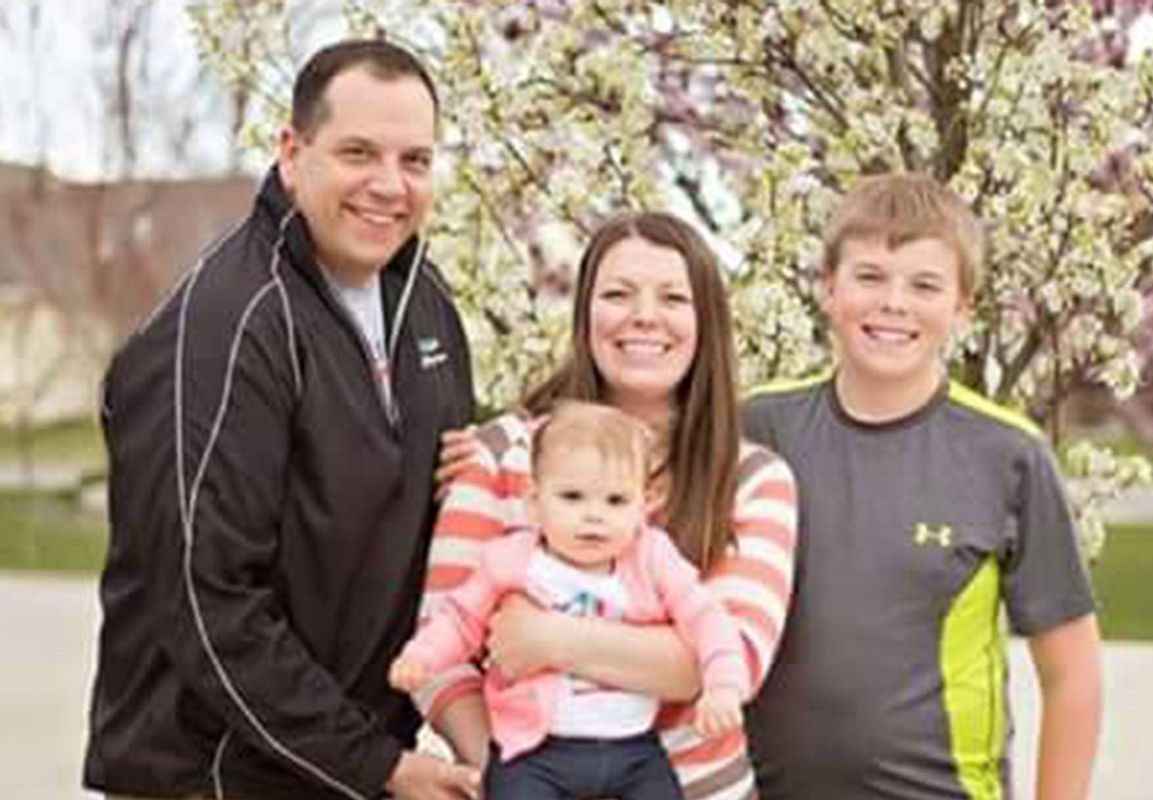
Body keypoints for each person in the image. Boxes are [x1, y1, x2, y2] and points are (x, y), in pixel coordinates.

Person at [83, 40, 479, 800]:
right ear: (292, 152)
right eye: (358, 152)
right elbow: (209, 600)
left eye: (416, 160)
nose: (389, 185)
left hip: (348, 770)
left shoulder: (424, 305)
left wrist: (487, 478)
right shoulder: (223, 329)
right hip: (215, 781)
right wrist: (378, 765)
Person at [412, 211, 799, 800]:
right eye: (618, 294)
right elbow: (443, 650)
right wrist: (508, 769)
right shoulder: (499, 457)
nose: (644, 315)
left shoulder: (753, 479)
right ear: (585, 314)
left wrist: (546, 638)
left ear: (706, 323)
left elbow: (726, 661)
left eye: (673, 297)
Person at [743, 173, 1103, 799]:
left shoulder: (1009, 455)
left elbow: (1073, 675)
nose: (894, 303)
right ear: (828, 287)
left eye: (924, 284)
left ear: (963, 306)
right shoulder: (756, 429)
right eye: (870, 276)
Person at [392, 400, 749, 799]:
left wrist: (724, 685)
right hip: (535, 751)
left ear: (642, 505)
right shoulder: (513, 559)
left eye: (615, 501)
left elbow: (707, 617)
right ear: (534, 501)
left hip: (634, 750)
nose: (593, 515)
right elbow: (459, 618)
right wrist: (422, 656)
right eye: (572, 497)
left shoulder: (652, 557)